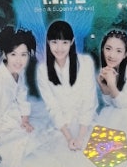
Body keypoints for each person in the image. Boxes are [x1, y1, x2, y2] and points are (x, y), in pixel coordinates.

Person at [36, 20, 97, 152]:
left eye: (64, 42)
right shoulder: (42, 70)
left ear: (72, 42)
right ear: (48, 42)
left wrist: (80, 138)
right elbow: (53, 107)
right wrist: (69, 138)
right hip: (61, 127)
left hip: (85, 124)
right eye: (54, 42)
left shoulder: (85, 63)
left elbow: (89, 101)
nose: (59, 48)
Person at [0, 25, 36, 167]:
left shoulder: (18, 72)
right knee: (20, 150)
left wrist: (25, 118)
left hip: (13, 114)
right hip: (0, 123)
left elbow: (22, 93)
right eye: (13, 54)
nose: (19, 60)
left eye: (24, 55)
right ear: (5, 54)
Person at [96, 29, 127, 167]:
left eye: (118, 51)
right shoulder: (109, 68)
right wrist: (103, 85)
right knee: (107, 112)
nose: (112, 55)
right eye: (108, 49)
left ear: (125, 54)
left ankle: (113, 159)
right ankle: (104, 157)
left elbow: (123, 103)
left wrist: (111, 84)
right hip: (120, 109)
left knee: (117, 113)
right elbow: (109, 102)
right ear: (103, 49)